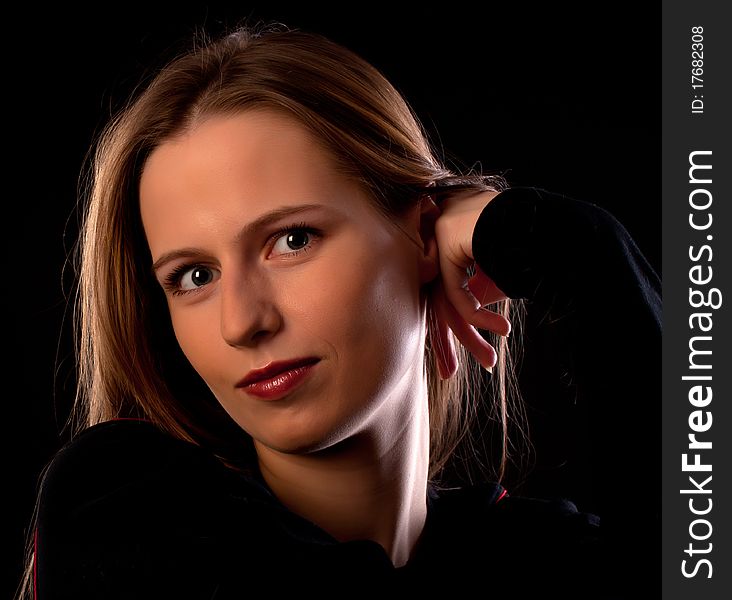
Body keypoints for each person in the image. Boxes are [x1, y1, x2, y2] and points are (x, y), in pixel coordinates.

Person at [19, 22, 661, 599]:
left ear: (421, 235)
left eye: (291, 240)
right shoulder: (122, 518)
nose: (242, 323)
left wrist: (575, 244)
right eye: (193, 277)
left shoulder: (538, 557)